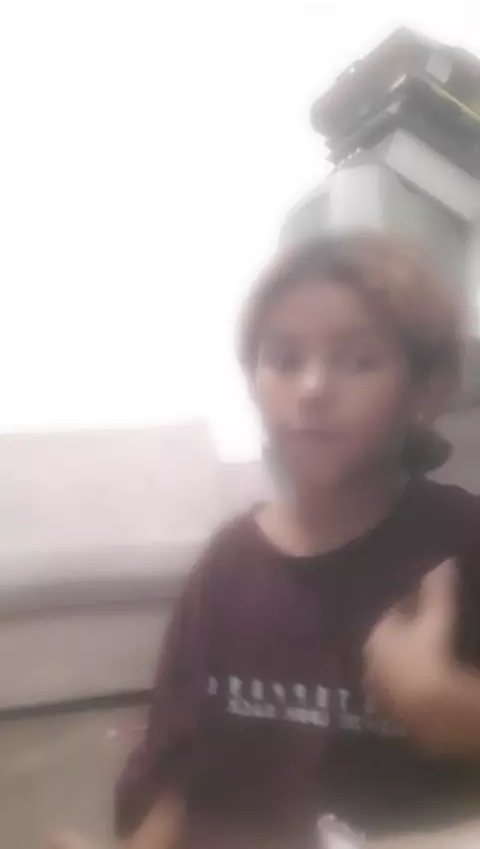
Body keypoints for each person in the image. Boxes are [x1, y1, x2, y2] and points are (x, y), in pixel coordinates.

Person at [112, 231, 480, 849]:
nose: (311, 389)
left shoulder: (462, 542)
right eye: (283, 360)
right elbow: (174, 774)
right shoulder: (226, 567)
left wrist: (451, 708)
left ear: (424, 389)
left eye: (358, 361)